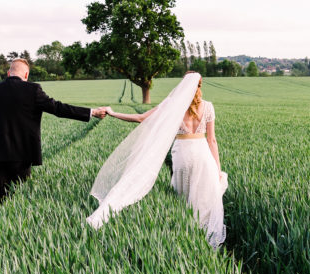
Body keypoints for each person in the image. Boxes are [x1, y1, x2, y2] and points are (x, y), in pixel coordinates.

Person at [88, 72, 226, 247]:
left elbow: (140, 118)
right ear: (200, 85)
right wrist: (217, 169)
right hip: (202, 154)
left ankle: (186, 235)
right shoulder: (208, 106)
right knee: (203, 196)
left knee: (182, 196)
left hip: (182, 154)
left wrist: (113, 113)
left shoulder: (173, 105)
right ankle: (203, 239)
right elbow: (211, 140)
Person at [0, 58, 109, 208]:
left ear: (9, 73)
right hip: (22, 158)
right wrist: (92, 112)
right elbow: (59, 109)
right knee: (19, 205)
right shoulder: (33, 90)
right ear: (26, 75)